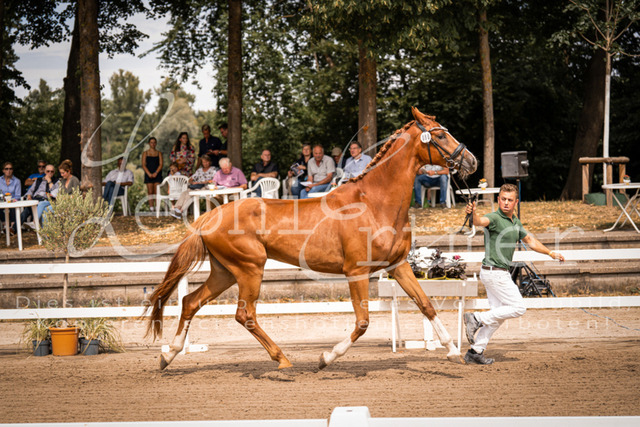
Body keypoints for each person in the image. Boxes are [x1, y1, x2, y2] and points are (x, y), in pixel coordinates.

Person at [463, 183, 565, 365]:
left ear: (516, 202)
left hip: (494, 273)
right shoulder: (494, 218)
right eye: (503, 199)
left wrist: (550, 253)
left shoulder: (515, 222)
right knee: (518, 307)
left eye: (510, 200)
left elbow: (530, 240)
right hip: (495, 273)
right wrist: (472, 214)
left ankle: (475, 352)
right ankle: (476, 318)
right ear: (498, 199)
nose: (506, 203)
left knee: (498, 316)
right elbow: (479, 221)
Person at [20, 164, 57, 228]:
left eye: (52, 171)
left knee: (41, 204)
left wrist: (49, 181)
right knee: (26, 211)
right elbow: (31, 190)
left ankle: (34, 223)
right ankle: (14, 228)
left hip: (46, 200)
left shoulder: (56, 181)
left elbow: (54, 193)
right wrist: (29, 196)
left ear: (54, 172)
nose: (50, 173)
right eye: (48, 171)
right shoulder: (38, 180)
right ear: (45, 171)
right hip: (35, 199)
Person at [142, 137, 163, 210]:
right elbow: (143, 165)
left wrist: (156, 173)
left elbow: (161, 164)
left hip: (157, 174)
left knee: (156, 191)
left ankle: (157, 207)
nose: (153, 144)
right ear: (149, 143)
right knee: (150, 191)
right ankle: (151, 208)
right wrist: (149, 173)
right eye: (151, 142)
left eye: (154, 142)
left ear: (156, 143)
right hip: (148, 174)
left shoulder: (159, 153)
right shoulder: (145, 153)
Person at [0, 162, 21, 234]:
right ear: (3, 170)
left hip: (13, 201)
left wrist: (10, 200)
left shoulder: (17, 181)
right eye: (6, 169)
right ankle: (5, 226)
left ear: (12, 170)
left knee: (13, 206)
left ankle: (12, 227)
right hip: (2, 201)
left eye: (10, 169)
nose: (8, 171)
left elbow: (18, 196)